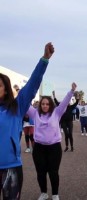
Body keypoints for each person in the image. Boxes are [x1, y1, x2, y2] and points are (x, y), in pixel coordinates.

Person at [0, 42, 54, 200]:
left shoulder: (16, 106)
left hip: (11, 168)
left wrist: (44, 59)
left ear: (6, 88)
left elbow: (32, 85)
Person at [27, 82, 77, 200]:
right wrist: (18, 93)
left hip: (54, 148)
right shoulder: (34, 113)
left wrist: (71, 91)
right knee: (41, 173)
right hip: (39, 148)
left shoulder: (57, 113)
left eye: (47, 104)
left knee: (53, 172)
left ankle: (55, 194)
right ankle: (44, 193)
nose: (44, 106)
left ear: (51, 105)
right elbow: (24, 103)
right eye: (43, 104)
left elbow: (65, 102)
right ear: (40, 105)